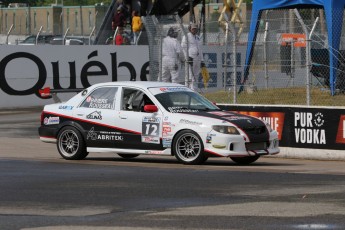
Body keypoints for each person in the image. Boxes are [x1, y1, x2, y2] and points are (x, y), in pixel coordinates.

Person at [181, 23, 204, 90]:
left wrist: (202, 60)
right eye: (193, 29)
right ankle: (187, 89)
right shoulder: (186, 36)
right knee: (189, 75)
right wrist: (187, 57)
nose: (194, 30)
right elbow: (183, 47)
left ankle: (194, 89)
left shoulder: (198, 37)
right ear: (190, 29)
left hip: (198, 58)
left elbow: (200, 49)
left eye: (196, 29)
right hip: (190, 58)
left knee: (196, 74)